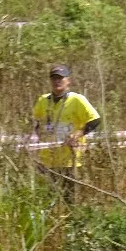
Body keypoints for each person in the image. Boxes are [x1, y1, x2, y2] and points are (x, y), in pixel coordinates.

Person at [32, 65, 100, 199]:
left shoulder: (77, 99)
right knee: (47, 199)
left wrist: (77, 135)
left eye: (60, 78)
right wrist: (35, 137)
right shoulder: (43, 100)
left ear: (68, 80)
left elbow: (95, 120)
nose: (57, 81)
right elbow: (36, 122)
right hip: (46, 159)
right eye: (54, 78)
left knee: (69, 199)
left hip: (69, 159)